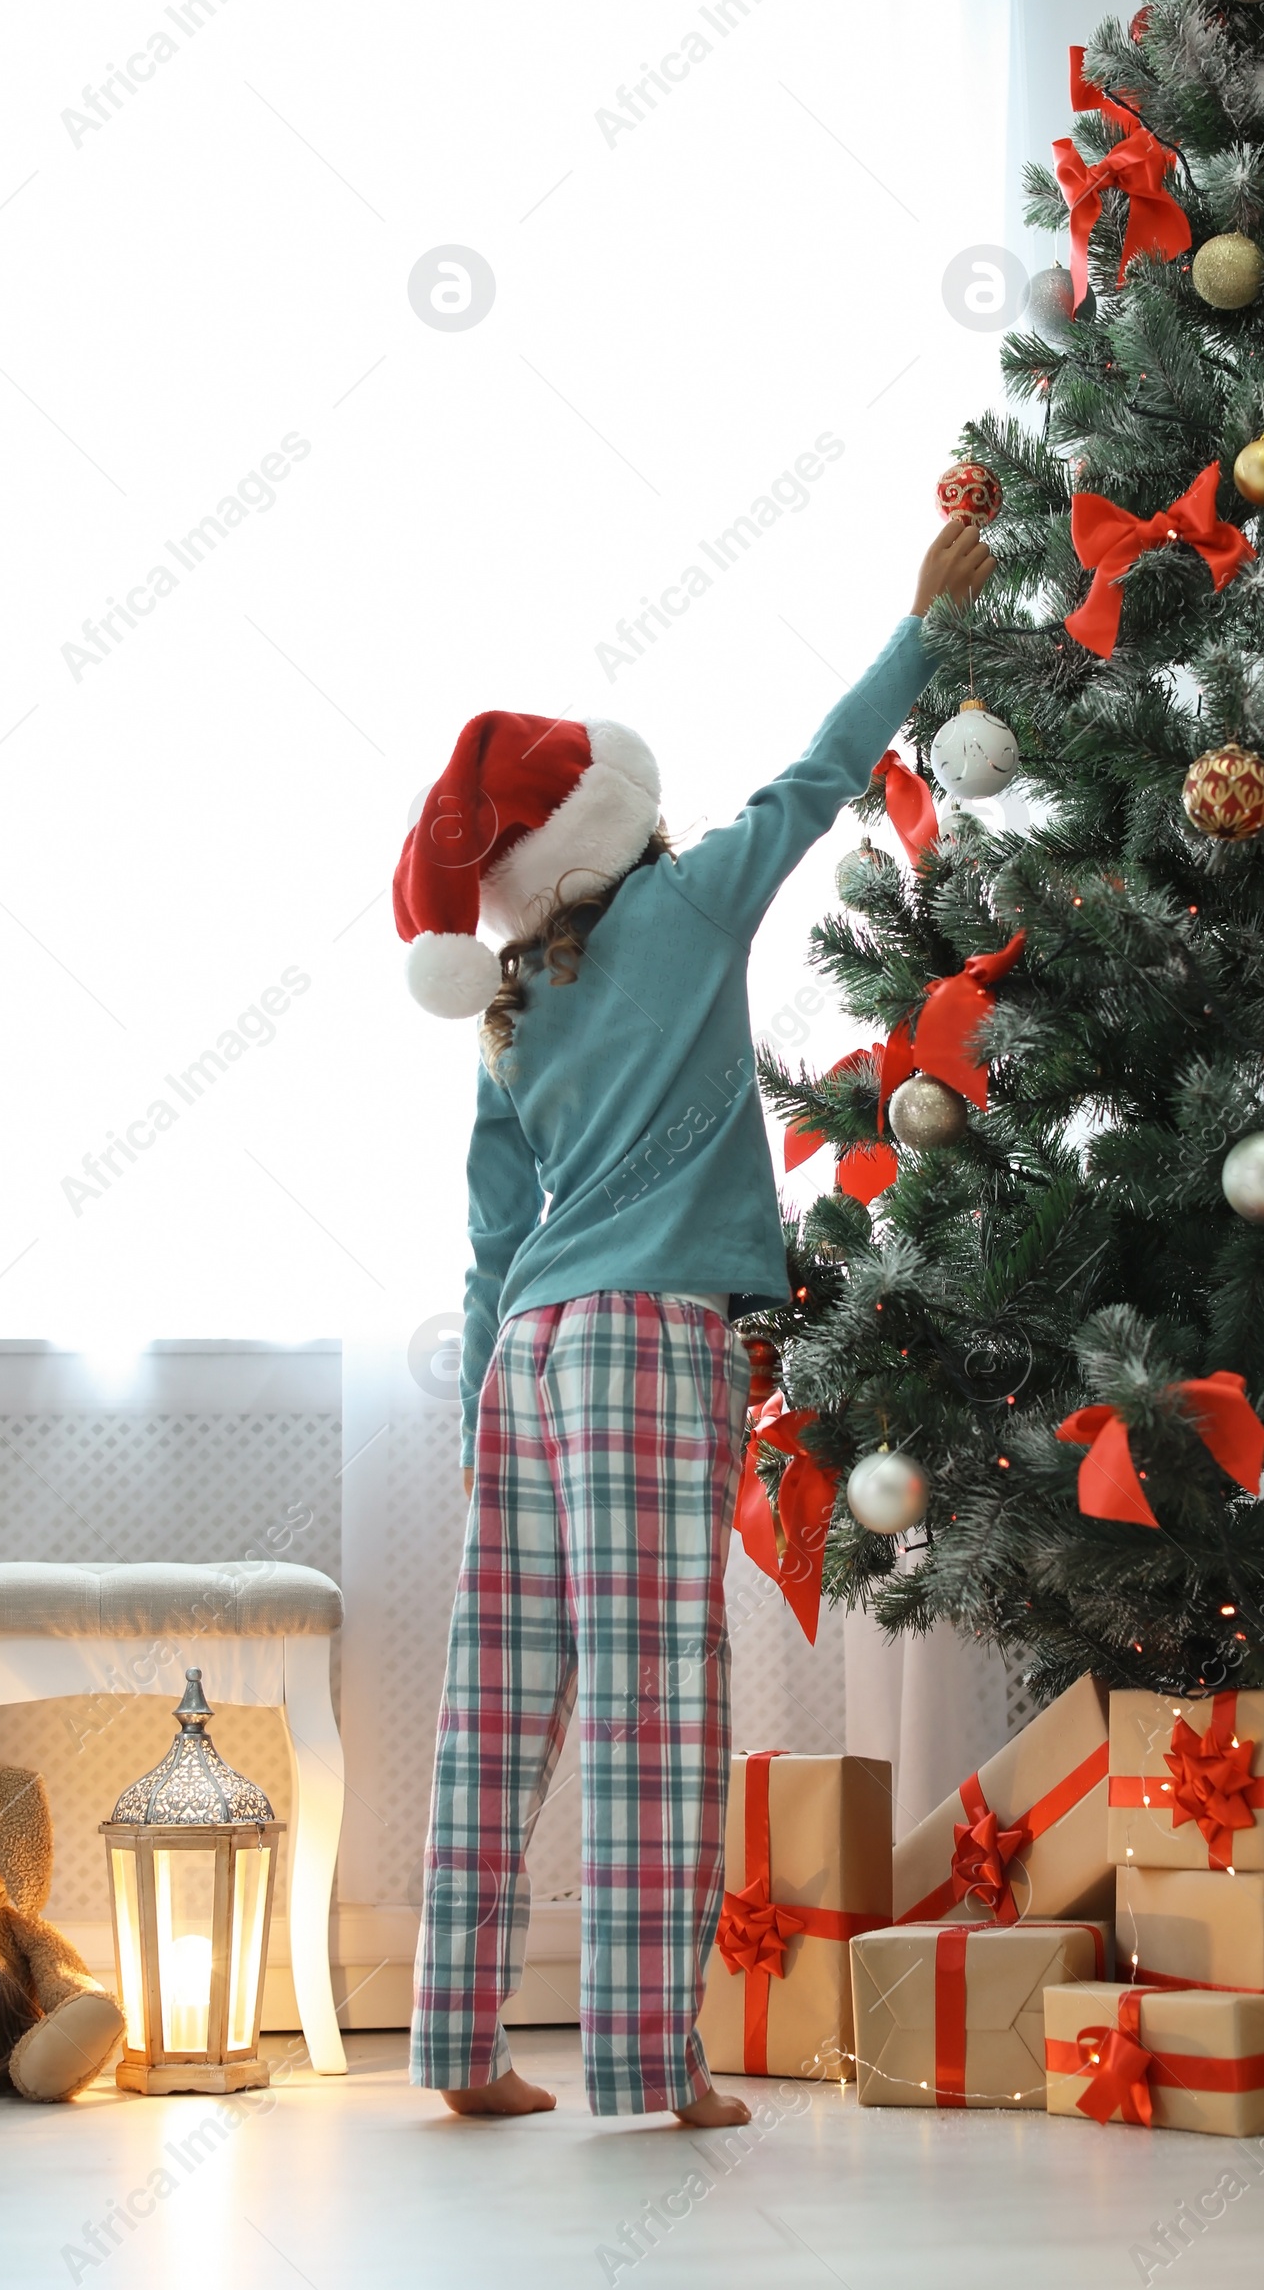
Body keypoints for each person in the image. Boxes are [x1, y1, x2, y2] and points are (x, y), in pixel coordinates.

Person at [394, 516, 992, 2125]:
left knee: (500, 1695)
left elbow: (483, 1239)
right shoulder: (686, 908)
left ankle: (456, 2047)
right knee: (659, 1688)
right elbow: (816, 780)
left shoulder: (515, 1007)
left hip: (525, 1358)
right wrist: (926, 629)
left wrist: (474, 1429)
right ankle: (653, 2069)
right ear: (625, 819)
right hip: (646, 1338)